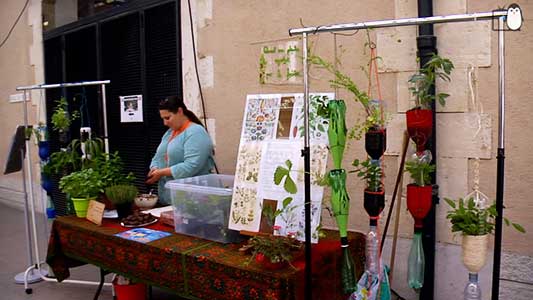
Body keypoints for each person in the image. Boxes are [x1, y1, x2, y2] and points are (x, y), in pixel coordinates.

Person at [146, 96, 215, 204]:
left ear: (180, 111)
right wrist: (154, 168)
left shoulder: (196, 132)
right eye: (163, 119)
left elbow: (192, 165)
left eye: (168, 118)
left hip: (193, 200)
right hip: (170, 197)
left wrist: (162, 172)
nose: (165, 123)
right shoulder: (169, 133)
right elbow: (158, 156)